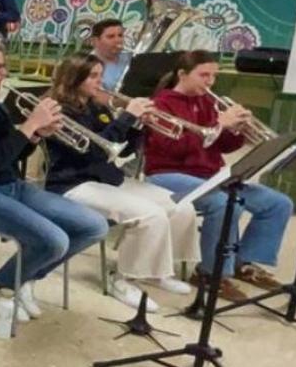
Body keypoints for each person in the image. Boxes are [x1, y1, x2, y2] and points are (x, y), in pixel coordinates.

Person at [0, 34, 109, 325]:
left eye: (3, 66)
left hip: (11, 186)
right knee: (54, 241)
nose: (4, 73)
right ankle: (0, 283)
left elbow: (14, 153)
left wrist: (39, 133)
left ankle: (23, 278)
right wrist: (30, 125)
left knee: (94, 226)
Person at [44, 53, 199, 311]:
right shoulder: (59, 109)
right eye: (93, 76)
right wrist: (126, 117)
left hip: (107, 178)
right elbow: (92, 150)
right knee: (151, 216)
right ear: (74, 78)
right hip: (73, 183)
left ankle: (158, 270)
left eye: (100, 75)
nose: (100, 82)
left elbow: (122, 151)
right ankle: (123, 279)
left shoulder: (97, 107)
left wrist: (139, 125)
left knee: (181, 206)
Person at [144, 50, 291, 302]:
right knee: (224, 204)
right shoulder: (161, 102)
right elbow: (174, 149)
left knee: (278, 203)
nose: (210, 81)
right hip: (168, 173)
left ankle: (243, 263)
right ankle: (209, 273)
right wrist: (219, 125)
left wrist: (236, 129)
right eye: (204, 75)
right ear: (182, 74)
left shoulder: (209, 102)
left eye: (213, 75)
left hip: (211, 175)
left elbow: (224, 147)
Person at [89, 18, 132, 91]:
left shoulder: (131, 58)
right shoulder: (87, 64)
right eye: (111, 36)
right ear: (95, 41)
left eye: (120, 35)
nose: (118, 40)